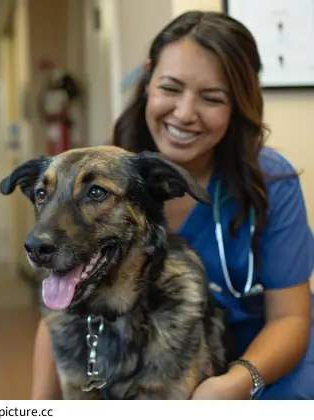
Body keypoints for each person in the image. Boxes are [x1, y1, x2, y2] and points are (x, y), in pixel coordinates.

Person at [31, 10, 314, 400]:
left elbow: (292, 318)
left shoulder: (269, 183)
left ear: (238, 104)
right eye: (170, 88)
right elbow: (62, 300)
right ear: (148, 78)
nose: (184, 113)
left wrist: (233, 383)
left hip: (262, 369)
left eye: (212, 98)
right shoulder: (104, 180)